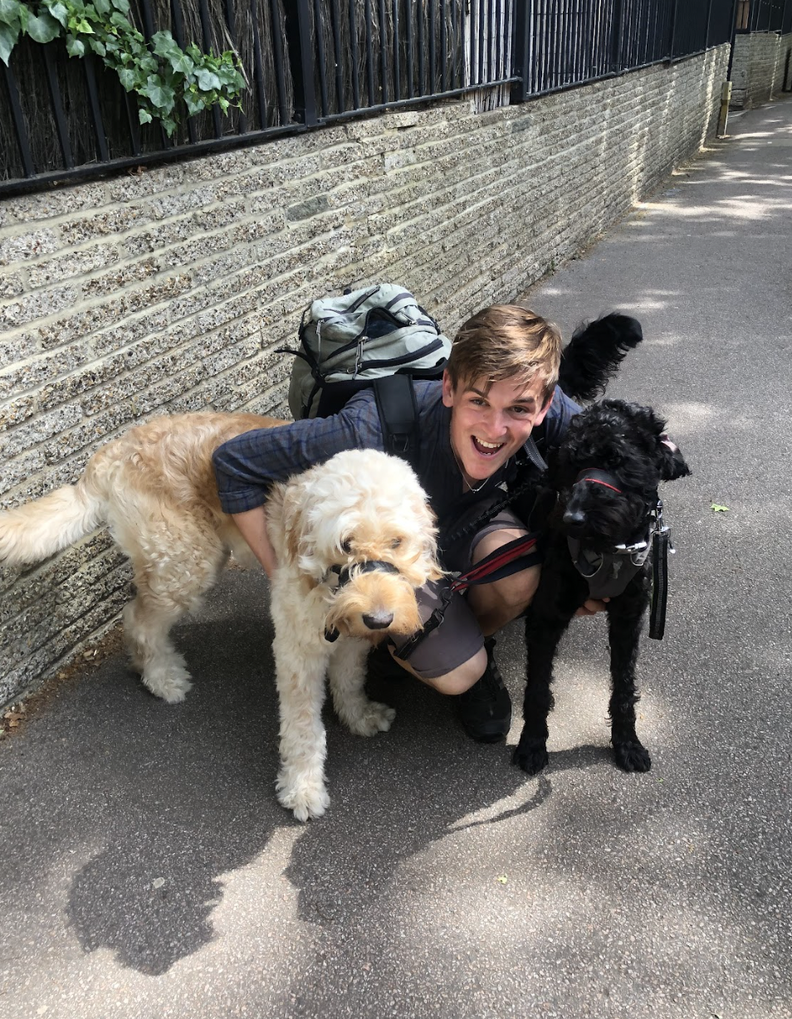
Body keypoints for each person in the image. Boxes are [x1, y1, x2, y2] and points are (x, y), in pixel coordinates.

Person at [212, 304, 604, 743]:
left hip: (469, 525)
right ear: (449, 388)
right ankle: (419, 648)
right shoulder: (365, 427)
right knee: (458, 673)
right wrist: (280, 574)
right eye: (478, 401)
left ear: (545, 405)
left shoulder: (549, 408)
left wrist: (590, 575)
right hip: (387, 555)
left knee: (522, 580)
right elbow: (233, 462)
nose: (495, 429)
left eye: (517, 409)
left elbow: (621, 459)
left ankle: (466, 641)